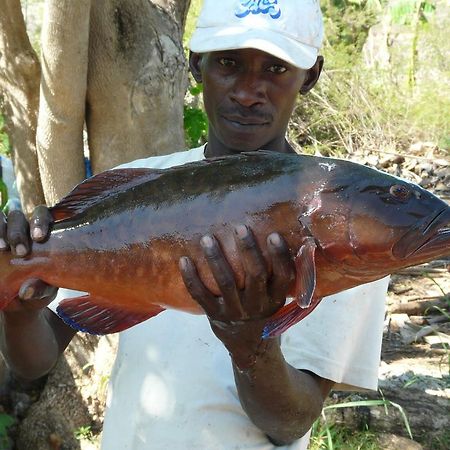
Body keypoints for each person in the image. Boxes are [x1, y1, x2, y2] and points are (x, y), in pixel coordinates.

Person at [0, 1, 389, 448]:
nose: (247, 91)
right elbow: (36, 360)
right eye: (228, 63)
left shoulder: (342, 224)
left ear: (311, 75)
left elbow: (288, 423)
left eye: (276, 69)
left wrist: (249, 343)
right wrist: (19, 303)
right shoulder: (134, 188)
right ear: (195, 65)